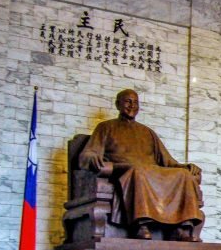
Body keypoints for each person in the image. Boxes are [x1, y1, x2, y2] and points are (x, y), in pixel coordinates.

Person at [79, 89, 204, 241]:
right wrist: (93, 158)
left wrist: (186, 167)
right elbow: (87, 154)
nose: (132, 105)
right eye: (128, 101)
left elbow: (168, 161)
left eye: (135, 102)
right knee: (139, 170)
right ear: (118, 104)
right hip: (125, 169)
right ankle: (141, 225)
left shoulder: (147, 132)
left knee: (183, 175)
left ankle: (181, 227)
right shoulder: (105, 127)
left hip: (151, 171)